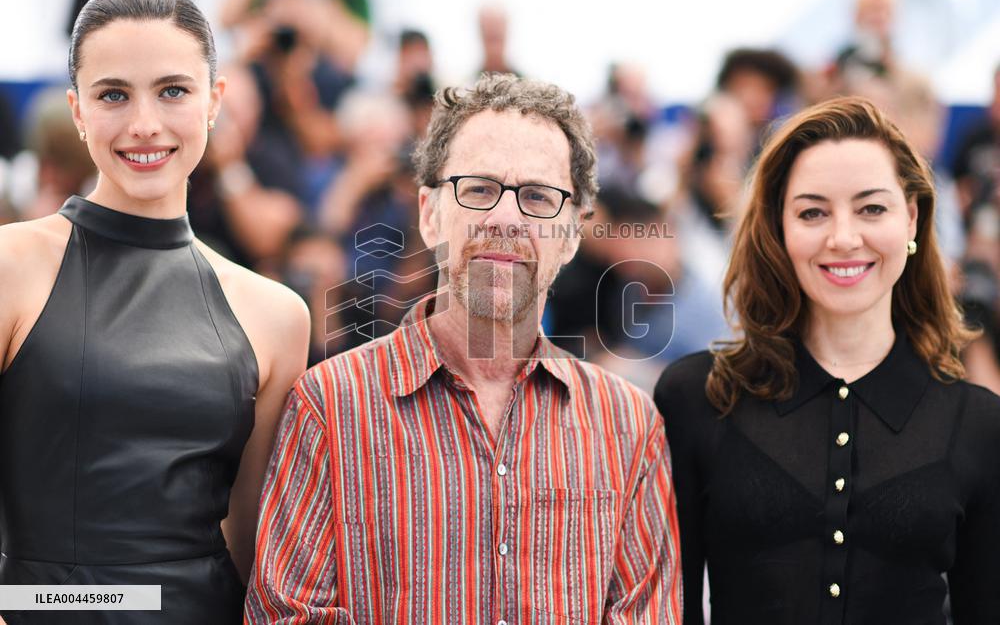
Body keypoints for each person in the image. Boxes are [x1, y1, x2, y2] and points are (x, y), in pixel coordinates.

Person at [246, 74, 682, 623]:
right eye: (478, 189)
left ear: (572, 235)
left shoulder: (629, 427)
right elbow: (286, 615)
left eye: (538, 198)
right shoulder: (330, 406)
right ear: (430, 214)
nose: (505, 219)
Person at [0, 0, 310, 624]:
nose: (145, 124)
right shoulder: (11, 265)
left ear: (213, 102)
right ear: (77, 110)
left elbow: (252, 546)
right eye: (113, 94)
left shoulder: (276, 314)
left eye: (173, 90)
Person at [655, 96, 1000, 624]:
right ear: (779, 227)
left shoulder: (978, 422)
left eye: (871, 208)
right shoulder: (695, 396)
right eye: (812, 211)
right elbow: (671, 611)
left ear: (911, 219)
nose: (843, 238)